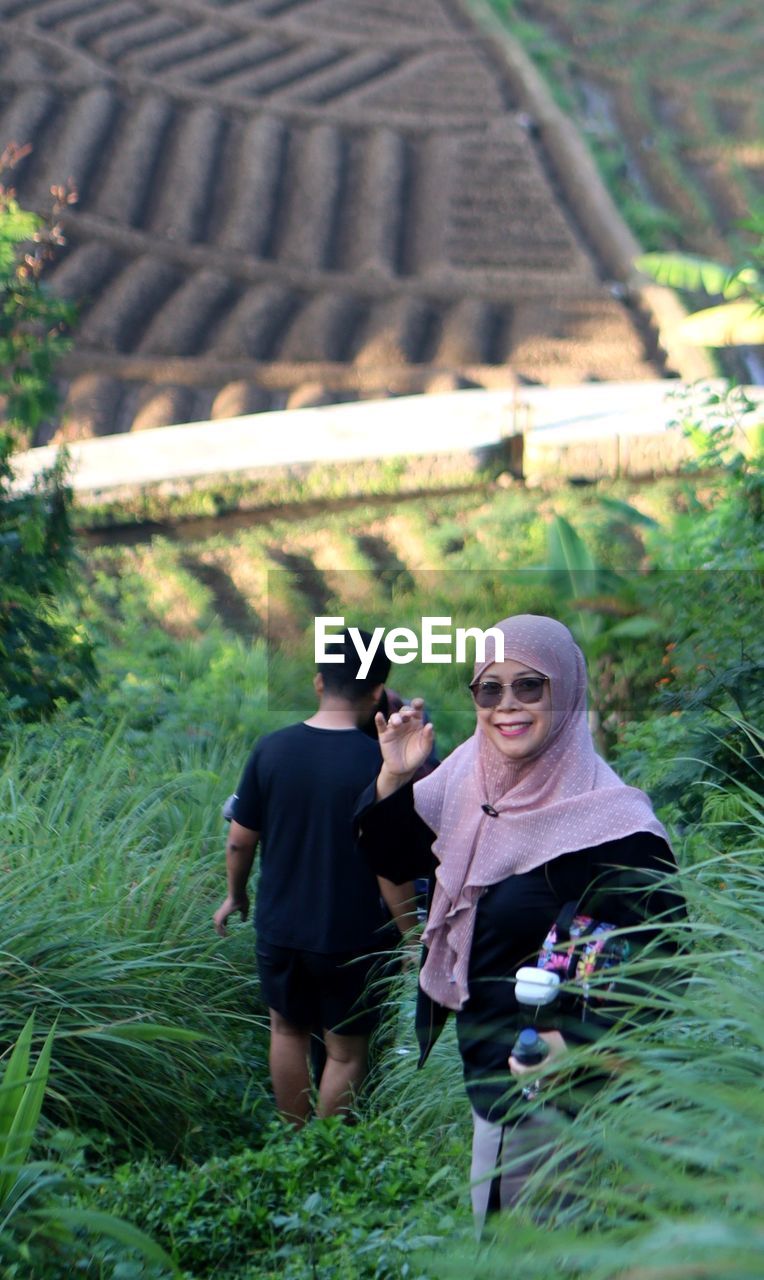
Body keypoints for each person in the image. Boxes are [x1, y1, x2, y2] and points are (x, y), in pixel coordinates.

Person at [355, 613, 684, 1224]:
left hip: (552, 1087)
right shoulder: (470, 777)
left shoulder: (611, 823)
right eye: (490, 688)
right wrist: (395, 777)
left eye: (529, 686)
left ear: (565, 689)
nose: (507, 704)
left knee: (519, 1246)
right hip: (488, 1068)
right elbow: (397, 857)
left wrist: (577, 1041)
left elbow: (664, 959)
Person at [213, 630, 416, 1126]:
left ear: (318, 682)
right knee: (345, 1052)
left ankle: (293, 1141)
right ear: (378, 693)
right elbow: (390, 865)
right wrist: (413, 937)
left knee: (286, 1031)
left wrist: (234, 896)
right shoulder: (381, 764)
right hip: (354, 936)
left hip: (281, 929)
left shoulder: (272, 750)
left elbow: (240, 840)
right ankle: (325, 1154)